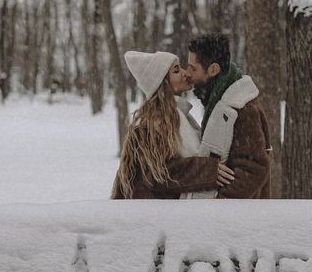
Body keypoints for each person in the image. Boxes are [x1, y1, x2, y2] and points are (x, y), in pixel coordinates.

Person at [111, 50, 235, 199]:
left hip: (167, 213)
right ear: (162, 83)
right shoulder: (152, 122)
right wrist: (206, 169)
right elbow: (158, 173)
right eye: (176, 71)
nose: (186, 73)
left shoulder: (178, 116)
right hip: (152, 215)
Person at [184, 33, 271, 199]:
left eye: (193, 68)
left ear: (214, 69)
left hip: (235, 219)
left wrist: (220, 202)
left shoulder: (243, 109)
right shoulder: (218, 99)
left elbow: (254, 169)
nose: (187, 73)